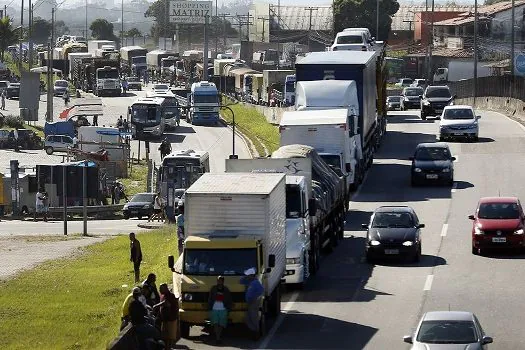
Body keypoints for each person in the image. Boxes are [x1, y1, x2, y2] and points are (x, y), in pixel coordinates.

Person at [240, 268, 264, 340]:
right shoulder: (250, 282)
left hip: (254, 303)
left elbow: (261, 290)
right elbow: (241, 281)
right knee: (248, 318)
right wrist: (245, 277)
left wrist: (255, 298)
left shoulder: (255, 282)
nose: (246, 276)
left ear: (251, 275)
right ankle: (254, 331)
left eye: (248, 275)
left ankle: (256, 333)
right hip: (250, 303)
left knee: (253, 318)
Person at [153, 283, 180, 349]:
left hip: (171, 319)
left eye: (161, 288)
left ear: (165, 288)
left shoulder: (171, 295)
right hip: (164, 319)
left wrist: (156, 305)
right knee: (164, 336)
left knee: (170, 337)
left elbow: (166, 303)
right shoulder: (162, 295)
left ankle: (169, 347)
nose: (159, 290)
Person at [208, 276, 232, 344]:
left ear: (223, 281)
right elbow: (210, 298)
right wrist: (209, 307)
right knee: (215, 323)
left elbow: (229, 299)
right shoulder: (213, 288)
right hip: (214, 308)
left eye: (220, 280)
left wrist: (228, 308)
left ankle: (218, 337)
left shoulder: (226, 289)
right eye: (218, 280)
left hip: (223, 309)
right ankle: (218, 338)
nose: (219, 282)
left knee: (221, 324)